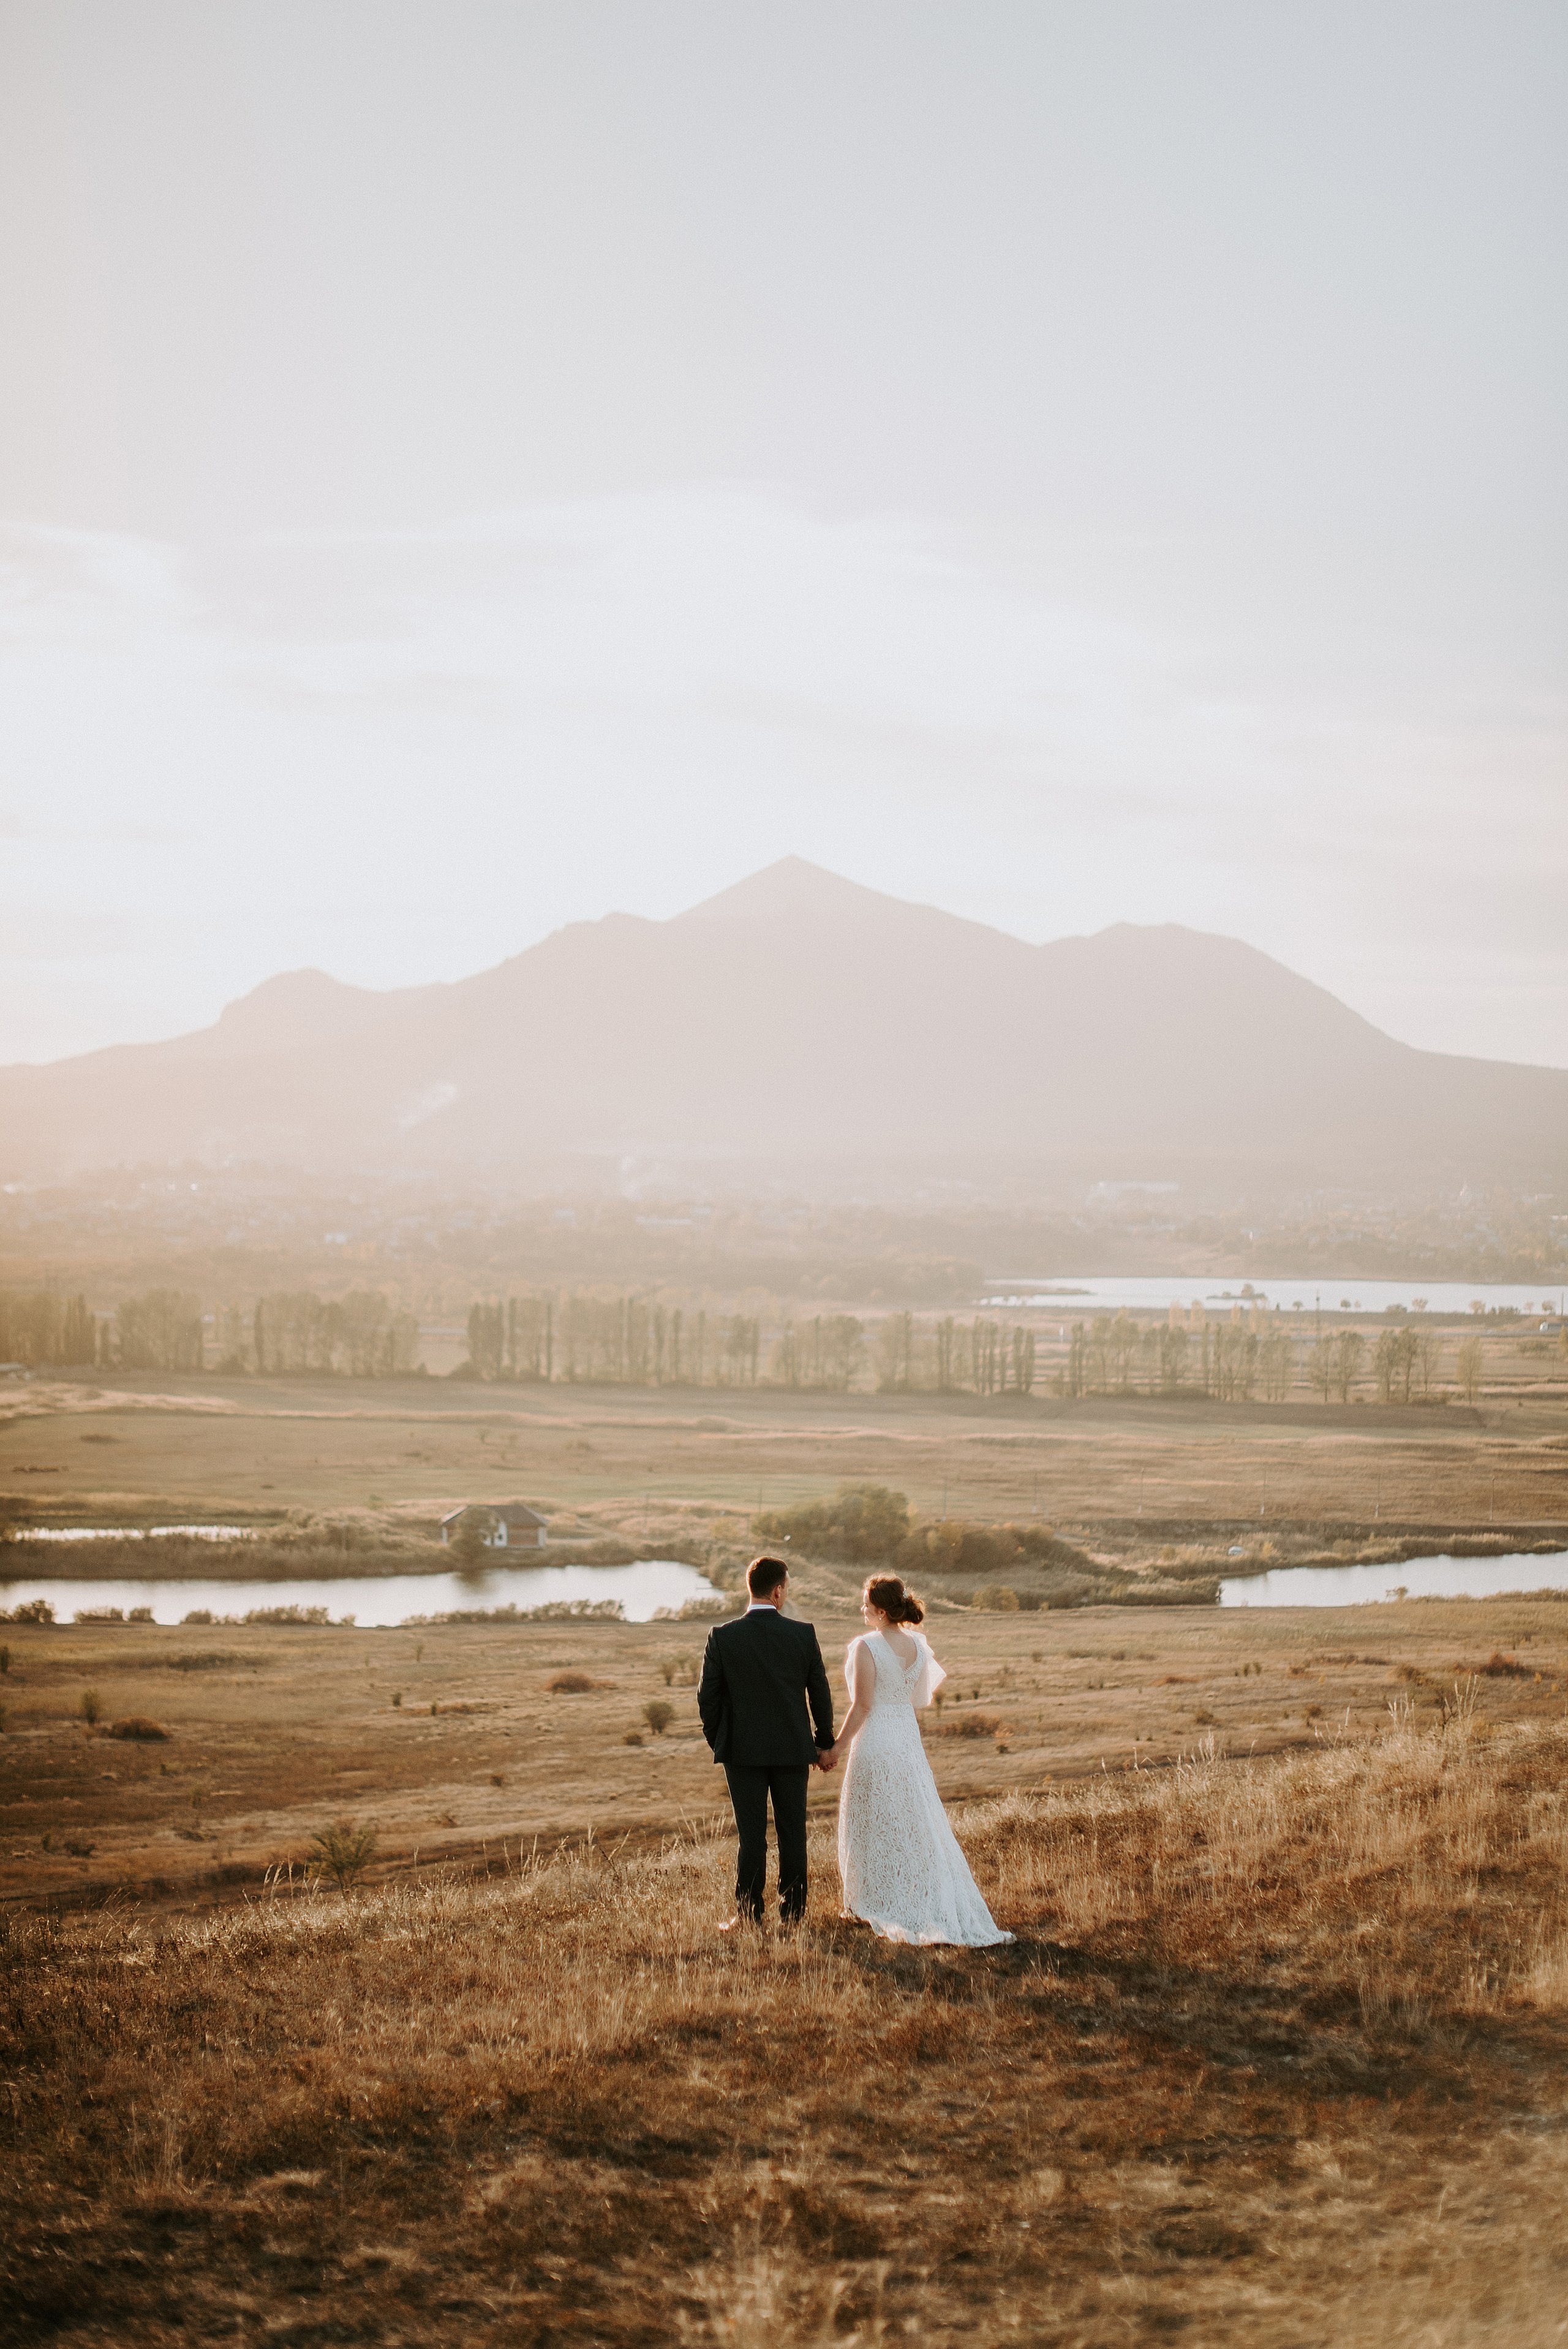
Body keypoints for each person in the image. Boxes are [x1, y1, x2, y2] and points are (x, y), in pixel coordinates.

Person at [828, 1573, 1012, 1947]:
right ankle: (903, 1896)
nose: (862, 1609)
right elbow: (917, 1698)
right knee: (910, 1819)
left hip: (877, 1739)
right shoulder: (917, 1645)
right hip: (906, 1739)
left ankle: (872, 1901)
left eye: (866, 1604)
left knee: (871, 1820)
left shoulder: (866, 1646)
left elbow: (862, 1705)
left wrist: (835, 1748)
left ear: (880, 1610)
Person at [697, 1554, 836, 1931]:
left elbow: (707, 1699)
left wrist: (721, 1742)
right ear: (778, 1592)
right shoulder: (803, 1634)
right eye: (786, 1588)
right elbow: (819, 1694)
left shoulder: (722, 1636)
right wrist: (824, 1743)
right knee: (794, 1833)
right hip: (793, 1750)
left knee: (751, 1836)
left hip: (741, 1754)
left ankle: (748, 1916)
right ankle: (793, 1916)